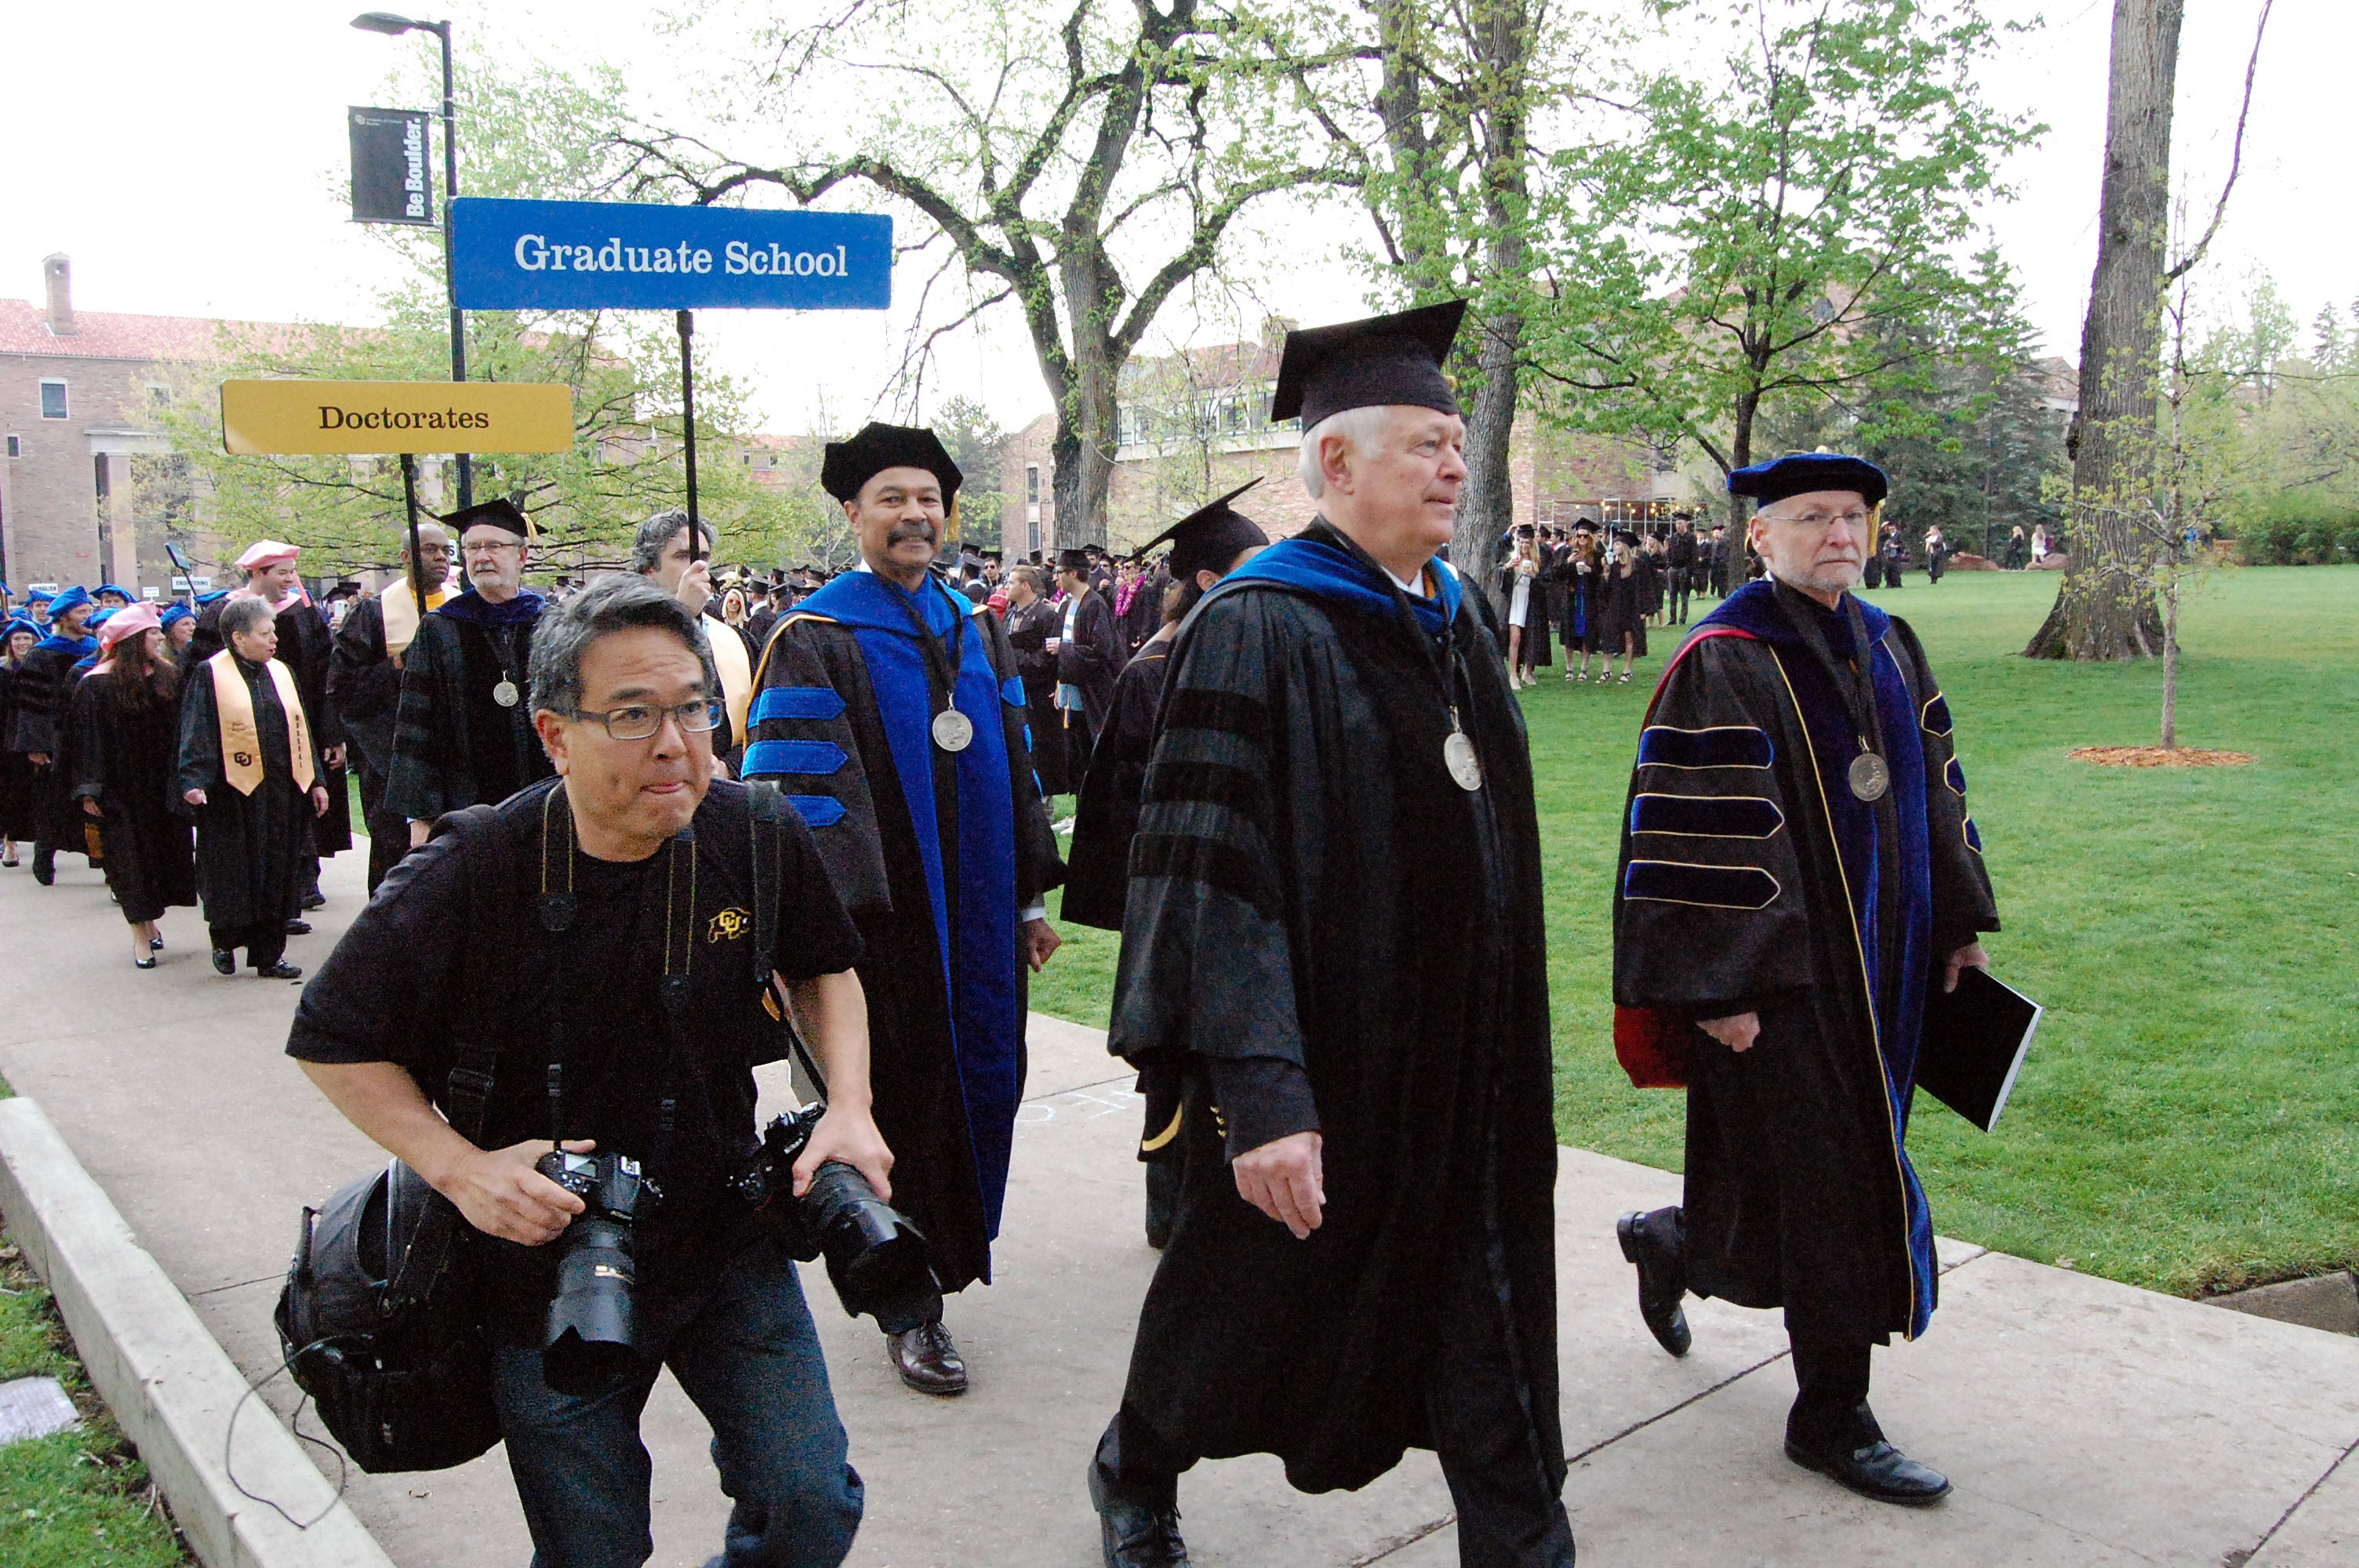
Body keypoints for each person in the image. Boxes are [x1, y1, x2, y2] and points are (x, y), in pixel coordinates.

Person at [1088, 301, 1571, 1568]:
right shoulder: (1254, 627)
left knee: (1492, 1326)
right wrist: (1261, 1093)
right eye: (1424, 443)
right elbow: (1210, 880)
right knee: (1235, 1297)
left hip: (1465, 1070)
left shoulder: (1452, 618)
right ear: (1337, 465)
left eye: (1457, 442)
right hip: (1324, 1071)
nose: (1455, 466)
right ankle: (1136, 1459)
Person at [289, 576, 879, 1568]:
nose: (675, 744)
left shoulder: (754, 833)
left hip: (722, 1226)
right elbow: (331, 1038)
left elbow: (826, 964)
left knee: (809, 1498)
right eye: (634, 715)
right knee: (593, 1546)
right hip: (543, 1258)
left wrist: (847, 1106)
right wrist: (461, 1168)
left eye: (693, 709)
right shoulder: (473, 867)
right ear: (557, 734)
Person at [1609, 451, 1998, 1508]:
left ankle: (1669, 1240)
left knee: (1796, 1183)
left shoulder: (1889, 642)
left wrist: (1959, 923)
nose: (1839, 534)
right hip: (1783, 987)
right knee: (1836, 1192)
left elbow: (1937, 790)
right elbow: (1693, 832)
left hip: (1894, 975)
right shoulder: (1727, 659)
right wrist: (1721, 987)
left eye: (1854, 517)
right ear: (1761, 536)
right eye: (1814, 517)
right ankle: (1832, 1417)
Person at [743, 422, 1064, 1396]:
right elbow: (798, 803)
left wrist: (1022, 902)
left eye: (927, 498)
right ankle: (905, 1305)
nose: (914, 514)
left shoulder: (976, 626)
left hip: (974, 931)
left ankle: (943, 1264)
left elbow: (1013, 762)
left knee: (976, 1089)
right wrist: (820, 944)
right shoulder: (814, 638)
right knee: (886, 1106)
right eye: (891, 497)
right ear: (852, 512)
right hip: (874, 939)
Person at [1060, 482, 1269, 1251]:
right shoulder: (1158, 669)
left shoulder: (1232, 650)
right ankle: (1174, 1209)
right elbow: (1147, 799)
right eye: (1258, 562)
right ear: (1212, 579)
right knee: (1181, 1051)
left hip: (1231, 890)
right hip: (1183, 896)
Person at [387, 499, 554, 850]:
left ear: (521, 557)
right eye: (472, 548)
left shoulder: (552, 622)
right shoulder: (440, 628)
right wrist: (421, 816)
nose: (482, 556)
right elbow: (417, 727)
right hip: (465, 806)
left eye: (494, 546)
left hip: (549, 798)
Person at [177, 596, 330, 978]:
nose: (273, 639)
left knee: (278, 871)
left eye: (273, 631)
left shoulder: (282, 672)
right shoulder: (209, 675)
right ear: (238, 638)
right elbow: (196, 732)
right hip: (232, 795)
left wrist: (316, 781)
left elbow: (302, 730)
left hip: (281, 793)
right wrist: (194, 780)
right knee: (233, 871)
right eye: (265, 633)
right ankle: (225, 940)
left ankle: (269, 954)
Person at [217, 540, 350, 911]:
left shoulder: (303, 613)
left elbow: (328, 675)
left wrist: (331, 732)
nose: (291, 580)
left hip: (298, 725)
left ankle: (305, 877)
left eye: (292, 572)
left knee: (304, 796)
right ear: (257, 573)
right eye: (283, 573)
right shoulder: (225, 614)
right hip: (243, 730)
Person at [329, 522, 456, 894]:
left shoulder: (462, 605)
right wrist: (399, 664)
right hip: (392, 753)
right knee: (394, 851)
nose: (439, 558)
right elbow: (346, 687)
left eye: (446, 551)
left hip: (453, 751)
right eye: (429, 549)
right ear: (405, 557)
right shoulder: (373, 613)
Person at [68, 604, 197, 967]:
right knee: (129, 861)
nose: (160, 637)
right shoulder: (95, 684)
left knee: (158, 860)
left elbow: (184, 732)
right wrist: (90, 788)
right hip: (120, 791)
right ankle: (140, 934)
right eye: (152, 633)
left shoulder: (168, 676)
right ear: (132, 640)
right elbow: (85, 741)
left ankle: (149, 920)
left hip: (162, 787)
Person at [629, 509, 759, 770]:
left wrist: (730, 768)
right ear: (648, 570)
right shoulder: (619, 637)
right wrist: (681, 615)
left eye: (703, 557)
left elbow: (761, 726)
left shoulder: (736, 642)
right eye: (683, 557)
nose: (699, 567)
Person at [17, 587, 103, 885]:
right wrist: (36, 745)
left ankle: (103, 862)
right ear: (65, 617)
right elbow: (30, 705)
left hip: (85, 737)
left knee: (94, 802)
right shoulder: (42, 654)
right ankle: (44, 856)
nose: (87, 618)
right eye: (81, 613)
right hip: (54, 739)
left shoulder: (94, 650)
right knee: (53, 803)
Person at [1051, 547, 1122, 782]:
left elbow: (1101, 652)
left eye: (1059, 572)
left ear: (1073, 573)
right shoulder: (1070, 604)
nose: (1055, 577)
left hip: (1092, 697)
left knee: (1093, 757)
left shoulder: (1094, 605)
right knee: (1077, 758)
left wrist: (1063, 648)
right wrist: (1061, 681)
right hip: (1073, 695)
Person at [1001, 566, 1070, 797]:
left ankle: (1047, 799)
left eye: (1011, 583)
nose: (1006, 587)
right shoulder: (1011, 613)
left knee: (1044, 748)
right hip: (1015, 689)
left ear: (1025, 586)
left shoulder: (1045, 615)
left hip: (1040, 693)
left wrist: (1016, 656)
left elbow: (1048, 656)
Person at [1, 617, 46, 867]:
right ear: (9, 643)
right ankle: (10, 845)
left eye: (27, 638)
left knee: (38, 794)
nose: (21, 642)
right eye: (17, 638)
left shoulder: (40, 669)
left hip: (34, 738)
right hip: (7, 742)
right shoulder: (3, 671)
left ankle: (42, 847)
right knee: (9, 794)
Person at [1592, 533, 1649, 684]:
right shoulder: (1613, 565)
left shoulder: (1638, 565)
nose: (1614, 547)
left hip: (1631, 608)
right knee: (1608, 637)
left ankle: (1627, 670)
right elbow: (1605, 589)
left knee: (1629, 638)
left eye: (1617, 544)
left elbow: (1644, 588)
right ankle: (1606, 671)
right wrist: (1606, 572)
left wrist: (1644, 610)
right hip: (1614, 606)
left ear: (1625, 547)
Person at [1498, 525, 1549, 688]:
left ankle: (1527, 671)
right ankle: (1513, 674)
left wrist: (1535, 577)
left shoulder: (1539, 559)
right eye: (1521, 542)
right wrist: (1507, 567)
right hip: (1515, 600)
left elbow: (1548, 582)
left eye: (1527, 542)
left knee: (1531, 636)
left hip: (1531, 602)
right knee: (1515, 638)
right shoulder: (1512, 557)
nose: (1524, 545)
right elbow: (1498, 566)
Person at [1667, 515, 1698, 624]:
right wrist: (1669, 565)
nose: (1678, 526)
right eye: (1676, 524)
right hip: (1673, 568)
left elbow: (1694, 555)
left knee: (1684, 595)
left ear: (1685, 524)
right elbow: (1669, 552)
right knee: (1672, 595)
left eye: (1680, 523)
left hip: (1684, 569)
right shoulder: (1673, 537)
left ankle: (1682, 618)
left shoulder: (1691, 537)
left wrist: (1691, 571)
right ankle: (1672, 618)